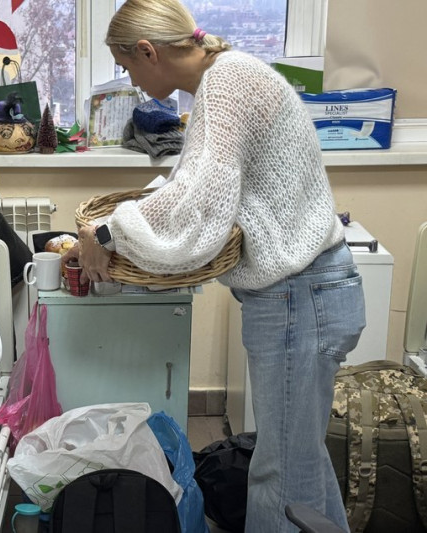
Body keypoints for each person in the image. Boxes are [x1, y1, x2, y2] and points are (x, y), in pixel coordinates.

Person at [63, 1, 365, 531]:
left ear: (149, 52)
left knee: (282, 472)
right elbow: (194, 188)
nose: (131, 81)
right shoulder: (227, 77)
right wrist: (104, 232)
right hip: (309, 292)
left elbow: (197, 198)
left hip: (300, 297)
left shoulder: (227, 83)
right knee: (301, 461)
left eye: (128, 67)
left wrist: (105, 232)